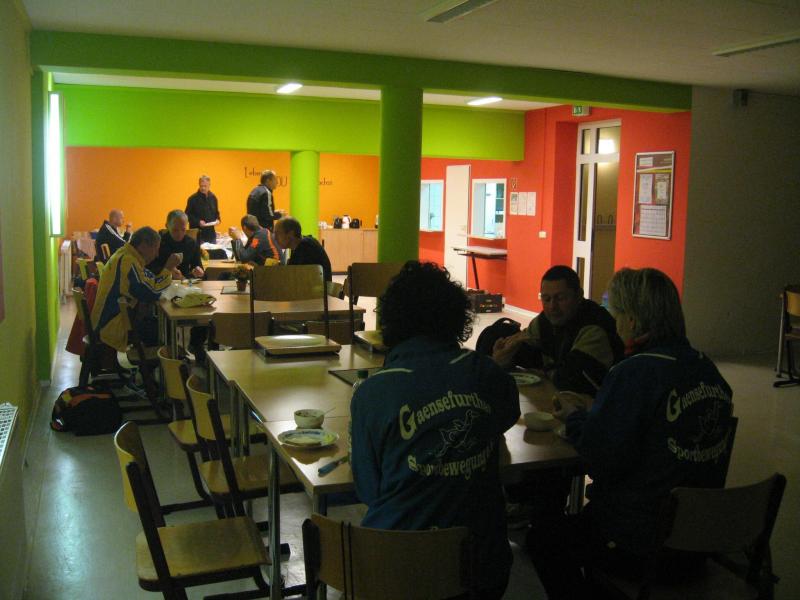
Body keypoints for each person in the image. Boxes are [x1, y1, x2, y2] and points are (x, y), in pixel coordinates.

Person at [528, 267, 734, 599]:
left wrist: (576, 419)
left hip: (641, 545)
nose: (614, 322)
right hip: (698, 543)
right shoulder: (707, 369)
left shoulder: (634, 372)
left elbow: (599, 457)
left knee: (542, 539)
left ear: (633, 321)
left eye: (616, 313)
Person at [350, 261, 520, 599]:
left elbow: (369, 491)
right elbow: (506, 417)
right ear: (455, 317)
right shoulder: (485, 372)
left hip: (398, 573)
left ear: (391, 321)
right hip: (482, 569)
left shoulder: (372, 393)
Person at [492, 265, 624, 395]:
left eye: (560, 298)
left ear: (579, 295)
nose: (552, 307)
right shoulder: (545, 321)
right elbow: (523, 351)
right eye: (546, 299)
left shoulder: (594, 326)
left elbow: (570, 380)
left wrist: (545, 369)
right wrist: (504, 357)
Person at [91, 227, 179, 351]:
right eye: (155, 249)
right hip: (111, 326)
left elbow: (149, 280)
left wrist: (165, 274)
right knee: (165, 329)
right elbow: (150, 292)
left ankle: (156, 360)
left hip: (107, 320)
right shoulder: (128, 261)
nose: (157, 254)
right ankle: (158, 361)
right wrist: (168, 269)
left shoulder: (125, 254)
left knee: (158, 323)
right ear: (143, 246)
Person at [147, 210, 204, 279]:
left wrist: (199, 272)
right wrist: (167, 269)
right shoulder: (158, 243)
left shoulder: (191, 243)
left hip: (185, 281)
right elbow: (148, 271)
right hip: (161, 282)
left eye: (183, 230)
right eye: (175, 230)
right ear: (167, 226)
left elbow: (198, 268)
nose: (179, 234)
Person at [273, 216, 332, 281]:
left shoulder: (306, 247)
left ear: (290, 234)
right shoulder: (301, 246)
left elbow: (294, 279)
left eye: (277, 234)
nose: (275, 238)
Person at [185, 174, 220, 244]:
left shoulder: (213, 198)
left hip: (211, 234)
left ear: (209, 185)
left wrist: (218, 219)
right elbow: (187, 215)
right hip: (197, 234)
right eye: (201, 186)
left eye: (205, 186)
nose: (203, 188)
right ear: (199, 184)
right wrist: (198, 221)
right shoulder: (192, 199)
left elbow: (216, 212)